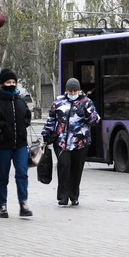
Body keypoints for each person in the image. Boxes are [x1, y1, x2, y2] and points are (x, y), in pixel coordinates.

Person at [0, 68, 32, 218]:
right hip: (3, 145)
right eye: (8, 82)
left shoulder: (20, 102)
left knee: (22, 174)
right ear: (2, 84)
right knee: (3, 177)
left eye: (14, 82)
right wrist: (2, 125)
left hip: (20, 145)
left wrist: (24, 124)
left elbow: (27, 117)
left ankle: (23, 203)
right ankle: (2, 206)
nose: (11, 84)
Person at [42, 78, 100, 207]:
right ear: (66, 90)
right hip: (61, 141)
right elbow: (51, 118)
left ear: (79, 90)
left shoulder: (86, 102)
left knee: (76, 169)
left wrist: (86, 115)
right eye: (70, 90)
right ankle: (63, 196)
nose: (72, 92)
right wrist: (46, 133)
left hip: (80, 142)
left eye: (75, 90)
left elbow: (95, 120)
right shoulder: (59, 102)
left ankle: (74, 196)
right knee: (64, 166)